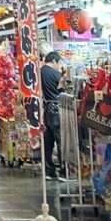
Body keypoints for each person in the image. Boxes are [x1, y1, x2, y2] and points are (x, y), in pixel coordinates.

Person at [41, 51, 64, 179]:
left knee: (48, 142)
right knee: (60, 140)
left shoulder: (40, 72)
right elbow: (63, 90)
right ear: (54, 61)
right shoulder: (56, 74)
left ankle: (49, 170)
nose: (59, 66)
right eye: (59, 63)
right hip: (56, 109)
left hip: (46, 109)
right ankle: (63, 170)